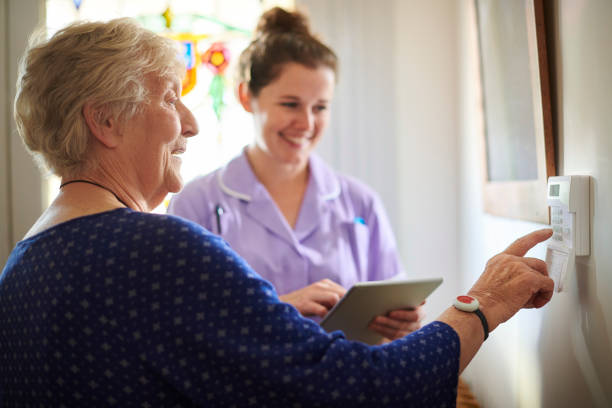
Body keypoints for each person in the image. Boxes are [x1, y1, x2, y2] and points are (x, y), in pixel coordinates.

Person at [0, 17, 554, 407]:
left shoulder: (20, 267)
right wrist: (480, 305)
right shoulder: (160, 247)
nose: (191, 123)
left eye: (320, 107)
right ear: (105, 122)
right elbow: (356, 390)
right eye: (170, 97)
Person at [168, 7, 420, 340]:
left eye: (320, 107)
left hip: (347, 388)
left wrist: (404, 323)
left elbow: (391, 310)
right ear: (247, 96)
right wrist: (278, 307)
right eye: (290, 104)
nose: (307, 123)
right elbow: (178, 327)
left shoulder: (361, 203)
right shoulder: (195, 204)